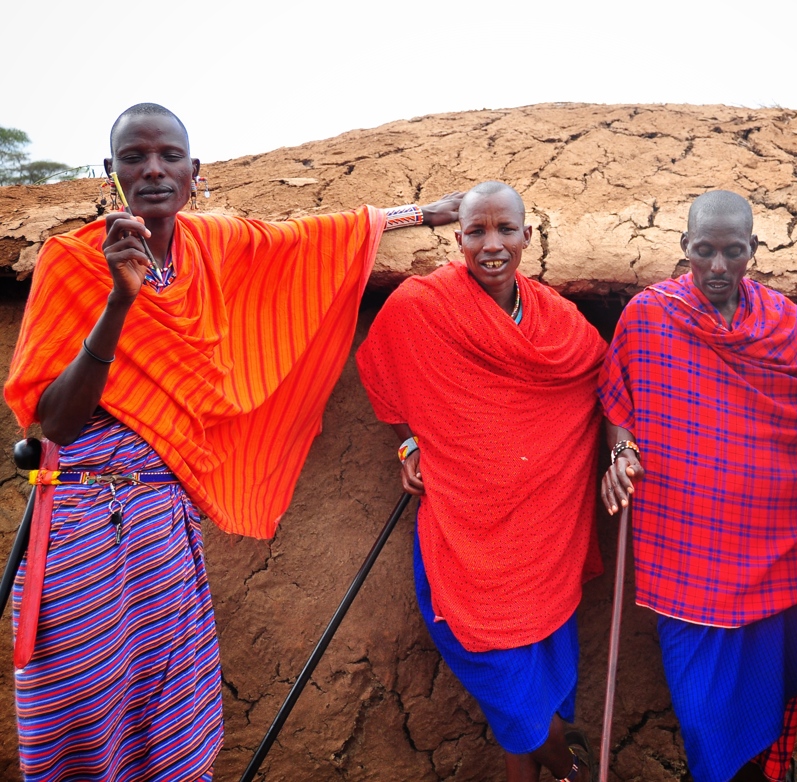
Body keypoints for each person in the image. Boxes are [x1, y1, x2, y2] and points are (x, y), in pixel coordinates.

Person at [3, 102, 462, 782]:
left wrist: (422, 214)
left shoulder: (212, 247)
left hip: (164, 529)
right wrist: (118, 305)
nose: (152, 170)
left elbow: (313, 239)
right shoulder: (73, 262)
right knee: (84, 708)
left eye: (168, 157)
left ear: (195, 172)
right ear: (112, 172)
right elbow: (56, 423)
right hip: (82, 529)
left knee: (170, 709)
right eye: (134, 157)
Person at [356, 181, 606, 782]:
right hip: (463, 535)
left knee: (537, 681)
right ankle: (574, 772)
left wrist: (621, 446)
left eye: (505, 231)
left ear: (527, 234)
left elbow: (607, 377)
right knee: (505, 680)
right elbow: (383, 373)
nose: (491, 246)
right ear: (458, 237)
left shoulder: (557, 319)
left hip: (542, 539)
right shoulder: (423, 305)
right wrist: (410, 443)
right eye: (476, 232)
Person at [599, 190, 797, 782]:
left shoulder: (783, 322)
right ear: (684, 248)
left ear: (753, 251)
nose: (717, 267)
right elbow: (617, 395)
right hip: (685, 555)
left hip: (773, 551)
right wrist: (621, 448)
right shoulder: (649, 314)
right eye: (703, 251)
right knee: (704, 715)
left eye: (732, 251)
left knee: (770, 704)